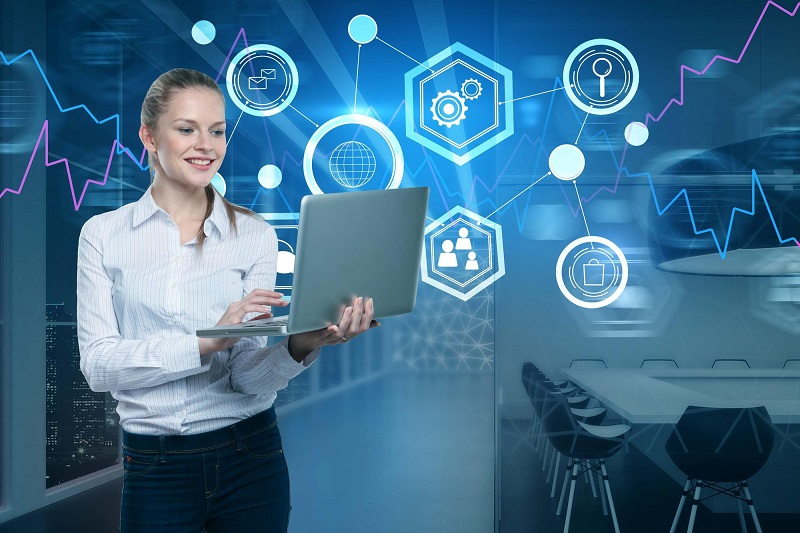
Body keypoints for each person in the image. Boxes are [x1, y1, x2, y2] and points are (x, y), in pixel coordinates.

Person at [76, 68, 378, 533]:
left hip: (250, 454)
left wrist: (301, 346)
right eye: (186, 129)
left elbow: (247, 379)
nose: (206, 145)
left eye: (216, 131)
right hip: (155, 464)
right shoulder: (103, 236)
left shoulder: (255, 236)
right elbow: (98, 367)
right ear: (149, 137)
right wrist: (207, 340)